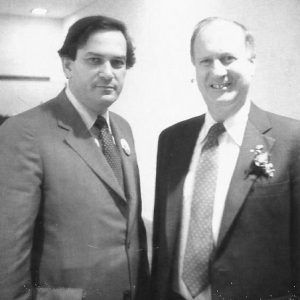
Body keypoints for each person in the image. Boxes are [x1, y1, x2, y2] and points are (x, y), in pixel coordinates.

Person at [0, 15, 149, 300]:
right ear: (68, 65)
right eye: (95, 60)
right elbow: (8, 251)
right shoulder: (24, 132)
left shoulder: (123, 128)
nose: (108, 72)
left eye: (118, 62)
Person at [151, 17, 300, 300]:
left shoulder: (293, 140)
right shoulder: (172, 140)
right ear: (195, 68)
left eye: (228, 58)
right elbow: (162, 242)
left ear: (252, 63)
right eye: (205, 61)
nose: (217, 71)